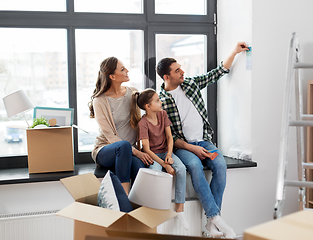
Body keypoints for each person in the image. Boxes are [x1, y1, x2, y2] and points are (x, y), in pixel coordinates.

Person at [156, 42, 249, 238]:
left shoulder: (190, 84)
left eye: (181, 68)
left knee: (220, 166)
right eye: (177, 70)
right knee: (196, 167)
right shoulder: (160, 101)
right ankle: (215, 217)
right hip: (182, 147)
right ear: (166, 77)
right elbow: (169, 137)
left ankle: (211, 221)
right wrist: (192, 149)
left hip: (203, 140)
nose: (182, 71)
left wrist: (234, 51)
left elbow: (218, 72)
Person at [89, 57, 153, 195]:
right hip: (106, 150)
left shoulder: (133, 93)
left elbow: (145, 118)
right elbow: (110, 137)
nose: (127, 71)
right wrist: (136, 152)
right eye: (122, 69)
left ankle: (139, 209)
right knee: (123, 146)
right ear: (112, 76)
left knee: (140, 168)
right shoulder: (99, 101)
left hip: (129, 152)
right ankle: (123, 202)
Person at [130, 88, 189, 230]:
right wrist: (164, 164)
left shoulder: (163, 115)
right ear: (147, 106)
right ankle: (154, 210)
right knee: (156, 173)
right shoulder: (142, 123)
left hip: (165, 152)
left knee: (181, 169)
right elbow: (147, 149)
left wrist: (169, 155)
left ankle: (180, 209)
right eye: (157, 100)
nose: (160, 102)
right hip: (153, 156)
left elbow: (170, 138)